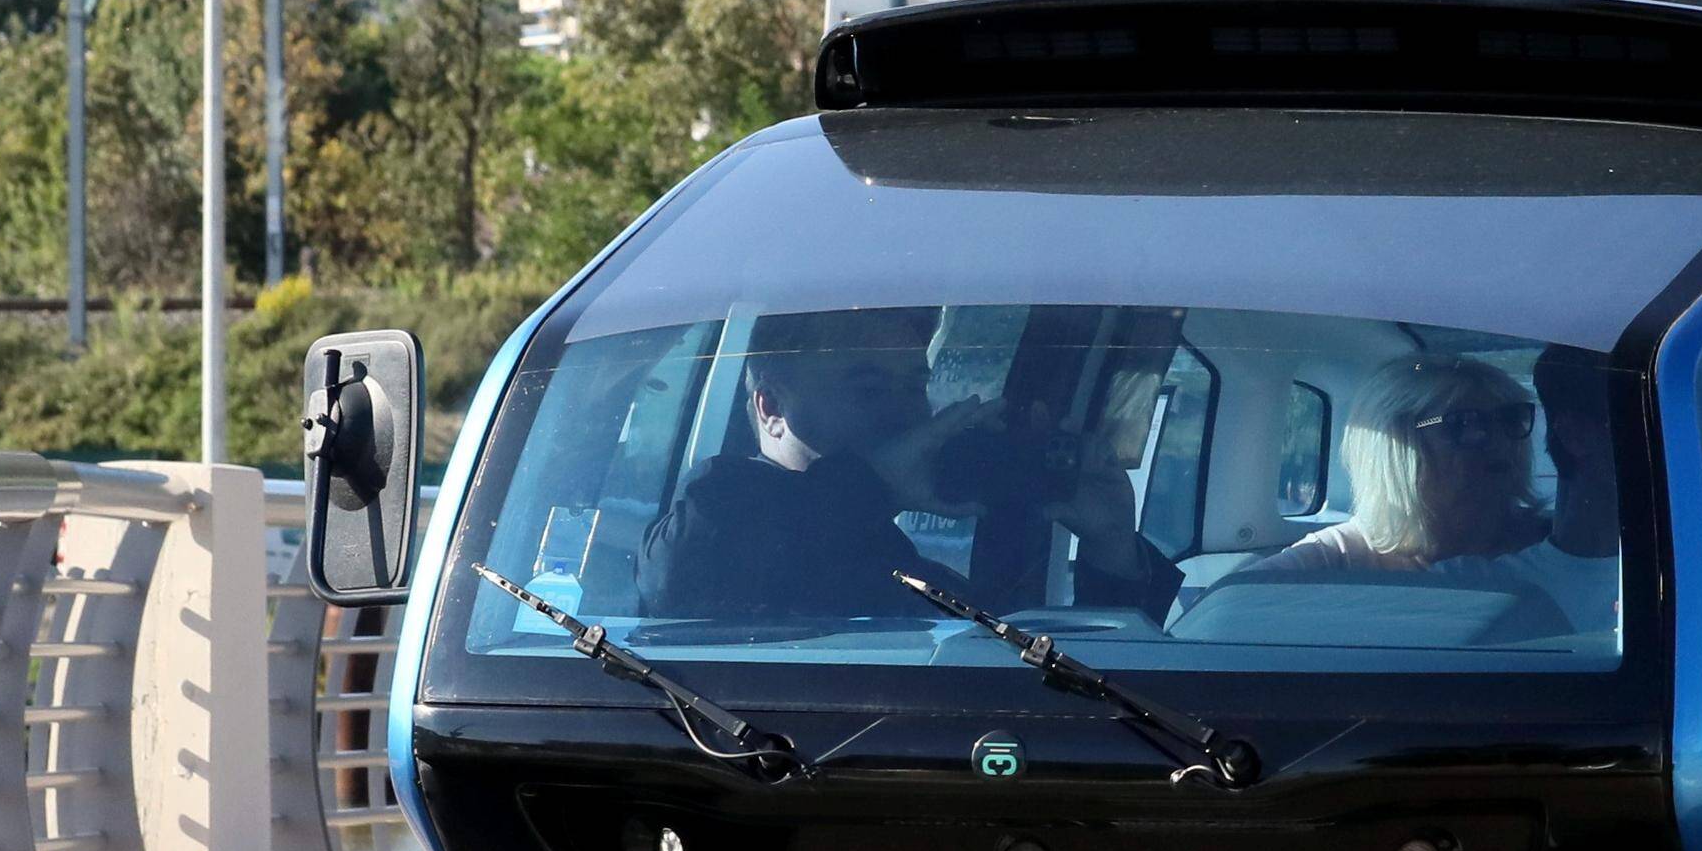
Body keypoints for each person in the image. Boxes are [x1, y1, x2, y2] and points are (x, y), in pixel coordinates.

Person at [638, 309, 1171, 626]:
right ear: (772, 409)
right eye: (868, 388)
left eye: (914, 386)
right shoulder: (717, 512)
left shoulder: (915, 576)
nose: (904, 412)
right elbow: (680, 580)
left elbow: (1077, 693)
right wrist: (876, 485)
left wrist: (1111, 550)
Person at [1228, 351, 1617, 634]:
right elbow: (1226, 614)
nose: (1500, 441)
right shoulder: (1333, 559)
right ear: (1395, 445)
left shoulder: (1568, 550)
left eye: (1510, 419)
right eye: (1466, 424)